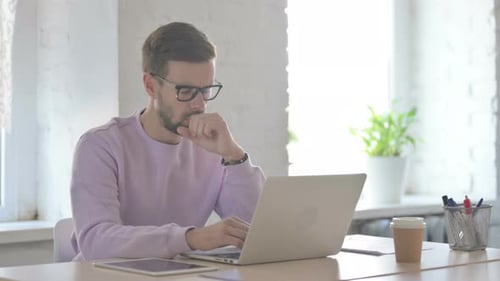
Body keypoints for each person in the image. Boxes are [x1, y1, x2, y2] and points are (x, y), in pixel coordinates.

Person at [70, 22, 265, 261]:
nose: (199, 104)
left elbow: (258, 232)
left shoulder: (213, 147)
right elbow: (96, 241)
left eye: (206, 90)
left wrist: (234, 155)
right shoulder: (101, 146)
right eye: (185, 91)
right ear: (150, 86)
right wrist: (191, 238)